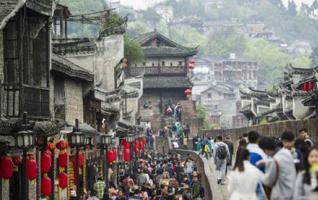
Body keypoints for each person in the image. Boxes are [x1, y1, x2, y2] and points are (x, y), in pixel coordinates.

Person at [260, 132, 297, 200]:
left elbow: (268, 181)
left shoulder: (275, 160)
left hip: (281, 195)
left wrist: (259, 175)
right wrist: (267, 162)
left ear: (266, 149)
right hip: (292, 192)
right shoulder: (286, 153)